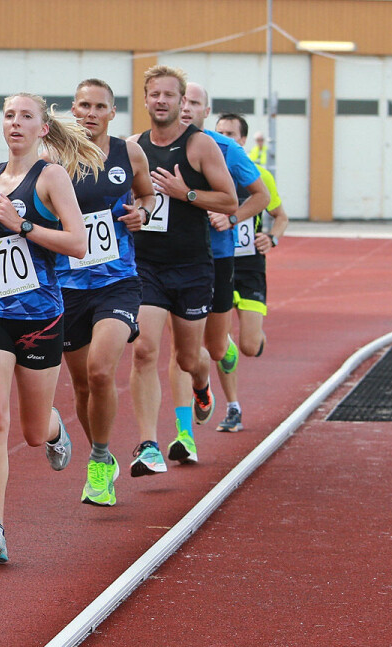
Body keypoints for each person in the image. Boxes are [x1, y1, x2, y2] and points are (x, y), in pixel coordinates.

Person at [0, 92, 102, 563]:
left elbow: (78, 243)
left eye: (25, 116)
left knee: (33, 432)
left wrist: (23, 227)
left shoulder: (52, 177)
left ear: (43, 128)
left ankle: (55, 429)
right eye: (9, 115)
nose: (15, 123)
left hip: (40, 317)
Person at [128, 65, 237, 477]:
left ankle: (202, 384)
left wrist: (185, 193)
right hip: (146, 266)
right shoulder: (132, 147)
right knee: (144, 350)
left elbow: (229, 201)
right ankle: (148, 444)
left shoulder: (199, 145)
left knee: (190, 357)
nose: (161, 101)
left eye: (169, 95)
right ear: (145, 99)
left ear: (180, 101)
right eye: (154, 94)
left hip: (192, 268)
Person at [57, 78, 154, 506]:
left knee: (100, 372)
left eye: (100, 106)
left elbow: (147, 195)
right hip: (66, 284)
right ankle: (103, 452)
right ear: (73, 109)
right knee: (82, 386)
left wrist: (141, 213)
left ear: (113, 113)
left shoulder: (129, 153)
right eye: (84, 105)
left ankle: (98, 460)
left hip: (117, 281)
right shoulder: (52, 155)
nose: (91, 113)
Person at [163, 82, 268, 465]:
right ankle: (184, 435)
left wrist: (232, 216)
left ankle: (216, 362)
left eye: (194, 103)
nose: (186, 108)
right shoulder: (151, 148)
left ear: (206, 112)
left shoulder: (226, 149)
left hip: (218, 259)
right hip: (172, 260)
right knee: (178, 351)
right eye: (183, 100)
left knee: (215, 348)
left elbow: (262, 196)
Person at [214, 112, 289, 433]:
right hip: (216, 263)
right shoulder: (205, 171)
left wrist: (271, 237)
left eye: (230, 134)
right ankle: (233, 406)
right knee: (221, 344)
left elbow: (281, 216)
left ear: (242, 140)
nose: (224, 139)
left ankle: (251, 337)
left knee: (249, 346)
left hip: (249, 267)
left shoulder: (259, 176)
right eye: (219, 133)